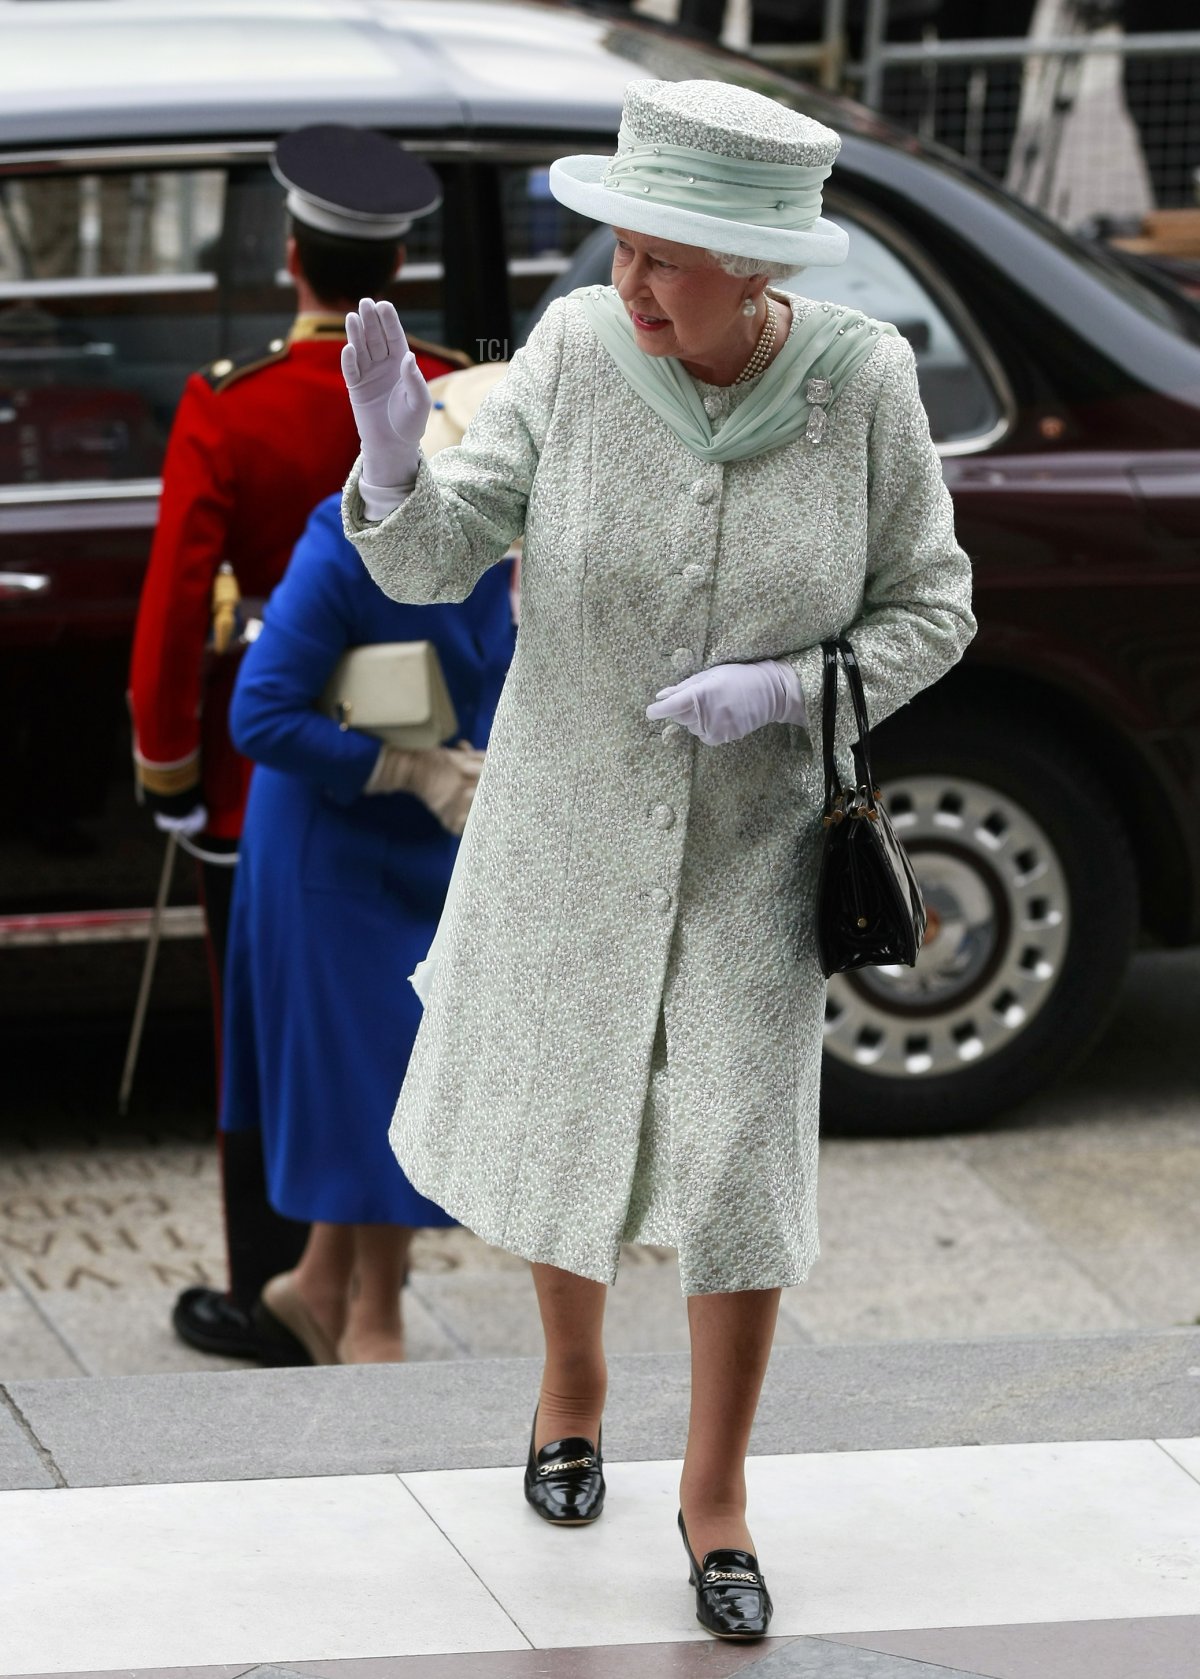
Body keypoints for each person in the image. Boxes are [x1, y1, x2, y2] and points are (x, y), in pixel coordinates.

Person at [340, 80, 975, 1639]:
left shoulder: (864, 385)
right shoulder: (569, 350)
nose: (625, 285)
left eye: (662, 262)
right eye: (616, 250)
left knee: (738, 1162)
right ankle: (569, 1389)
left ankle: (717, 1495)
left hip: (759, 846)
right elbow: (442, 552)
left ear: (760, 270)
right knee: (577, 1099)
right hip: (568, 816)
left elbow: (936, 607)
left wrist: (796, 688)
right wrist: (393, 467)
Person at [127, 124, 467, 1364]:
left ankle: (286, 1282)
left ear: (290, 256)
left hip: (272, 766)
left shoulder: (235, 403)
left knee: (284, 1037)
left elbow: (176, 607)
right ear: (400, 263)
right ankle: (326, 1284)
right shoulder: (452, 389)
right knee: (387, 1030)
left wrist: (171, 770)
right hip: (442, 745)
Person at [220, 365, 516, 1366]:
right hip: (328, 847)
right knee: (383, 1078)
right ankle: (370, 1319)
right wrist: (405, 765)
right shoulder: (341, 540)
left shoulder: (514, 557)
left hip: (435, 846)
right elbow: (261, 713)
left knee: (395, 1075)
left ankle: (314, 1287)